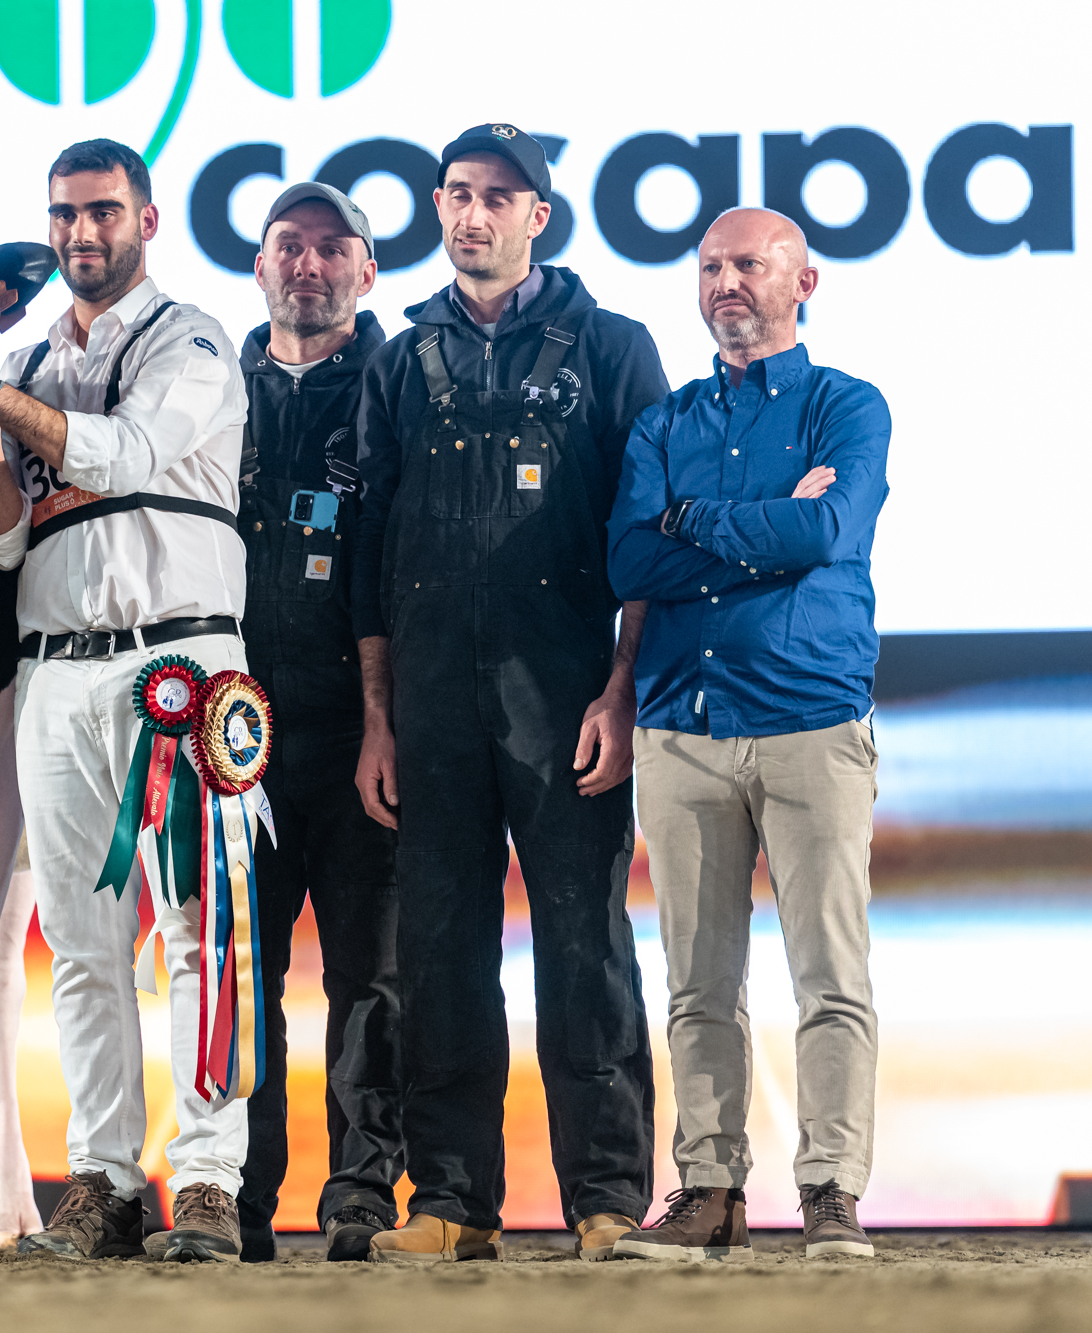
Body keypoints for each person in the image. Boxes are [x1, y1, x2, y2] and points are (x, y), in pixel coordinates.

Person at [350, 123, 670, 1263]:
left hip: (566, 696)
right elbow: (369, 552)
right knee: (438, 950)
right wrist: (377, 717)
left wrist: (621, 690)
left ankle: (606, 1201)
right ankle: (450, 1201)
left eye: (497, 196)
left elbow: (649, 539)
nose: (472, 214)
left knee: (584, 946)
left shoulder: (615, 348)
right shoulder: (399, 360)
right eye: (455, 193)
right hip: (430, 704)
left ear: (539, 214)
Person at [0, 139, 251, 1262]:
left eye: (103, 211)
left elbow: (128, 453)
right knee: (78, 942)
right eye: (65, 214)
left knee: (201, 932)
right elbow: (4, 540)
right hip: (54, 670)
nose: (81, 233)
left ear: (147, 220)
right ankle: (106, 1181)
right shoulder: (28, 361)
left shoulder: (192, 341)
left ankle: (207, 1180)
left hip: (181, 668)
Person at [606, 208, 889, 1263]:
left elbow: (827, 528)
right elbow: (630, 562)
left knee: (830, 975)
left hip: (811, 720)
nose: (725, 282)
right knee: (696, 983)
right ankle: (708, 1190)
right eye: (710, 267)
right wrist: (762, 526)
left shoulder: (846, 407)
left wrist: (691, 521)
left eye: (749, 265)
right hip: (682, 725)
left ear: (802, 282)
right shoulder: (663, 424)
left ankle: (830, 1193)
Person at [232, 182, 403, 1263]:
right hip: (229, 736)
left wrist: (392, 717)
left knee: (370, 978)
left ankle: (360, 1191)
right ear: (258, 266)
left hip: (360, 733)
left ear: (365, 272)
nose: (308, 264)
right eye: (288, 246)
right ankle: (237, 1193)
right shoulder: (208, 384)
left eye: (332, 248)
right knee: (239, 977)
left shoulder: (404, 384)